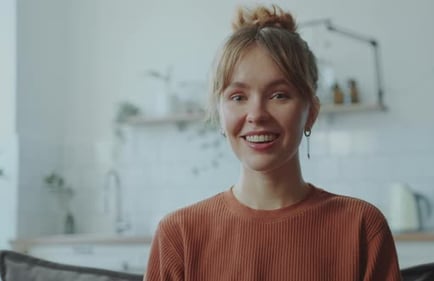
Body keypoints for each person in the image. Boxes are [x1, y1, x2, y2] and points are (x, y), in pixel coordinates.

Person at [144, 4, 401, 281]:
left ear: (310, 113)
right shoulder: (178, 235)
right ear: (219, 114)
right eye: (238, 97)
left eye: (279, 95)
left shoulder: (362, 227)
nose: (256, 115)